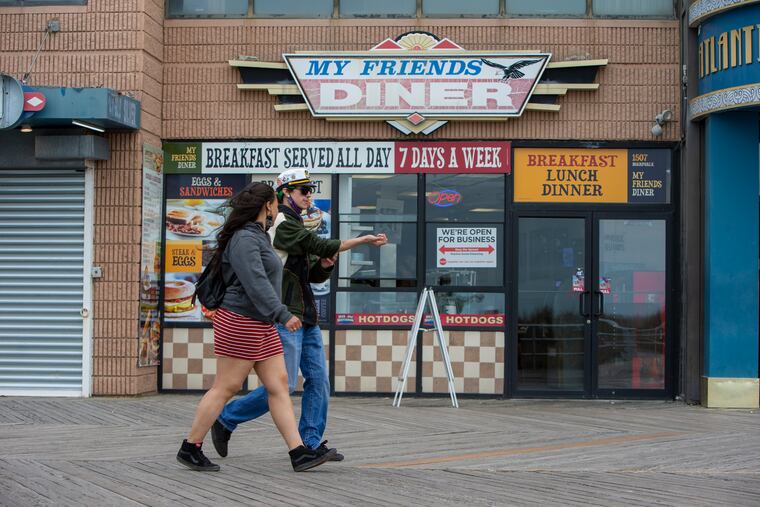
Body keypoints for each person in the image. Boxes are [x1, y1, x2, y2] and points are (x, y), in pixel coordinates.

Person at [212, 168, 387, 461]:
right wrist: (361, 241)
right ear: (284, 194)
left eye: (310, 190)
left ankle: (311, 442)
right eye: (302, 190)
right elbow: (317, 245)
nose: (308, 195)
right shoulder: (281, 223)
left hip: (306, 315)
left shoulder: (297, 225)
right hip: (286, 315)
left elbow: (313, 275)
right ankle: (226, 418)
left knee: (319, 380)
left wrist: (327, 265)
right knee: (283, 384)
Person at [176, 182, 336, 473]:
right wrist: (282, 313)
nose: (277, 207)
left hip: (260, 322)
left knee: (278, 386)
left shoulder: (259, 236)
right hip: (241, 319)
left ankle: (299, 452)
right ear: (267, 205)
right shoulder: (245, 239)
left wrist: (275, 314)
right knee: (226, 386)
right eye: (274, 203)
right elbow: (255, 282)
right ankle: (190, 447)